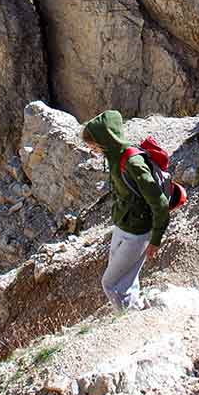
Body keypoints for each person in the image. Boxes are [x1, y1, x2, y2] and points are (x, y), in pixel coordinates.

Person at [81, 109, 171, 311]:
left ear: (106, 139)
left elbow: (160, 203)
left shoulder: (132, 162)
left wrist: (156, 239)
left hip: (138, 233)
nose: (92, 150)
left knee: (111, 284)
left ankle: (128, 320)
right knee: (127, 279)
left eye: (93, 145)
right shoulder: (113, 156)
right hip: (122, 227)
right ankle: (139, 309)